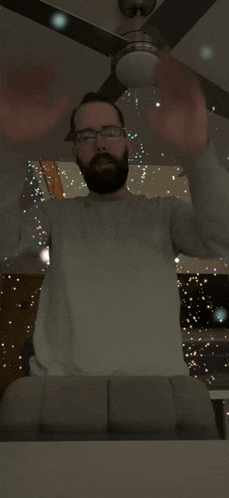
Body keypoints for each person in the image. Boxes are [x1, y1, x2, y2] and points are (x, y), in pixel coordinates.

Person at [0, 49, 229, 377]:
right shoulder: (54, 214)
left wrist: (198, 156)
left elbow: (222, 238)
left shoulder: (164, 212)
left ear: (127, 144)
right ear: (75, 151)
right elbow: (3, 241)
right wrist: (9, 155)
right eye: (86, 136)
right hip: (64, 395)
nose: (100, 144)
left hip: (157, 393)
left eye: (110, 133)